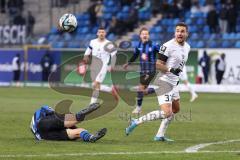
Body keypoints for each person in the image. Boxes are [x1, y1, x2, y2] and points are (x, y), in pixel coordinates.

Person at [125, 22, 190, 142]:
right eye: (177, 31)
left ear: (187, 33)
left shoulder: (187, 47)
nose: (179, 33)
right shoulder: (168, 46)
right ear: (174, 32)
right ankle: (136, 121)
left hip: (174, 83)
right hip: (163, 82)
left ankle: (159, 135)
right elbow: (158, 65)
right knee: (167, 112)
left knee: (175, 110)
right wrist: (171, 70)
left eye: (182, 31)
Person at [123, 27, 159, 114]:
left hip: (151, 70)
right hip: (143, 71)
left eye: (146, 34)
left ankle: (138, 109)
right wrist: (128, 63)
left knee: (140, 89)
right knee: (144, 92)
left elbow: (162, 53)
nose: (145, 35)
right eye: (143, 34)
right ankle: (159, 90)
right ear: (140, 35)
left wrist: (162, 62)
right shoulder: (138, 45)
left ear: (149, 35)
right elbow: (135, 55)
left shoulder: (154, 45)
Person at [30, 103, 107, 141]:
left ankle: (90, 137)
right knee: (65, 121)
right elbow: (49, 112)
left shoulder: (40, 115)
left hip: (44, 136)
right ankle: (78, 116)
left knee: (73, 132)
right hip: (41, 125)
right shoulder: (43, 111)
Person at [82, 27, 118, 104]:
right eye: (100, 32)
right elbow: (89, 49)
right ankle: (110, 90)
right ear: (97, 33)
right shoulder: (93, 42)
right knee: (94, 85)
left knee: (96, 84)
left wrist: (112, 65)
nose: (101, 33)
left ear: (105, 33)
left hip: (103, 66)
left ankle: (92, 104)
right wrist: (86, 56)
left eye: (103, 32)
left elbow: (114, 55)